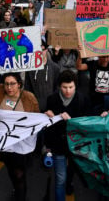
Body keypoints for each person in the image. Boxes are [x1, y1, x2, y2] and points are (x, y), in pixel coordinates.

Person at [0, 57, 39, 201]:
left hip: (22, 144)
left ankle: (20, 196)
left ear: (19, 85)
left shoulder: (29, 98)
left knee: (19, 173)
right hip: (5, 144)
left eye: (12, 84)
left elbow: (36, 118)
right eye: (6, 84)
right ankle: (16, 189)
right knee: (11, 170)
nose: (9, 87)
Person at [44, 70, 91, 201]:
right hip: (58, 145)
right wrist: (48, 146)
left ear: (75, 86)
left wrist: (69, 121)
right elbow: (48, 126)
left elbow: (86, 123)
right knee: (60, 179)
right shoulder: (52, 99)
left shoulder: (83, 99)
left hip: (77, 144)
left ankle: (69, 183)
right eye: (64, 87)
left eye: (71, 87)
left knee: (72, 169)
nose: (68, 91)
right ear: (59, 86)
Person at [76, 49, 109, 115]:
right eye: (103, 57)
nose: (106, 59)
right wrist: (80, 55)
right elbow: (79, 67)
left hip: (107, 98)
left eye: (108, 57)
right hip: (94, 98)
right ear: (98, 56)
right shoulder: (92, 64)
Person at [25, 41, 60, 112]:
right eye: (38, 50)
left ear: (46, 50)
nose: (40, 53)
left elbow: (57, 88)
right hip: (34, 106)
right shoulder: (30, 69)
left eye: (42, 50)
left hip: (51, 107)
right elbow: (27, 88)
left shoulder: (55, 67)